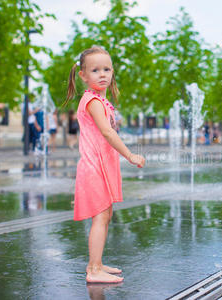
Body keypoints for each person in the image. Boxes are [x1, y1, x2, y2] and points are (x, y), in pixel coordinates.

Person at [65, 46, 145, 284]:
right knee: (100, 217)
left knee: (105, 215)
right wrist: (130, 155)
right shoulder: (92, 101)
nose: (103, 74)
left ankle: (97, 263)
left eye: (107, 69)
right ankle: (93, 269)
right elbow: (108, 133)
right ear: (83, 75)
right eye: (95, 70)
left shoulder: (101, 100)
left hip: (102, 166)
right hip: (94, 168)